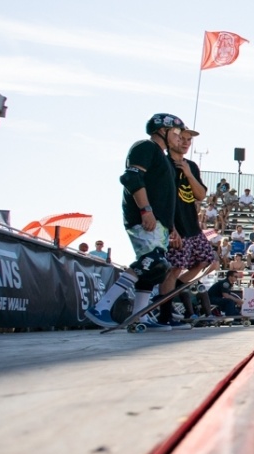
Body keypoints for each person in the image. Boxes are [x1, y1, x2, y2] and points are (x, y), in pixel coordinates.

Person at [86, 113, 183, 330]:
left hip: (160, 224)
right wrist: (145, 210)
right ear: (162, 131)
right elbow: (131, 177)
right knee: (152, 262)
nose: (179, 138)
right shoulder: (145, 148)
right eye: (175, 133)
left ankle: (140, 315)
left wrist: (171, 227)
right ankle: (102, 306)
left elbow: (165, 198)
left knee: (155, 270)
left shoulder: (164, 159)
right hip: (144, 218)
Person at [160, 127, 219, 325]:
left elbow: (201, 195)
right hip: (175, 225)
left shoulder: (191, 165)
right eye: (182, 139)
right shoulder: (164, 163)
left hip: (192, 225)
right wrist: (170, 227)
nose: (186, 143)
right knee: (175, 268)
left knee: (209, 262)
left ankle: (170, 292)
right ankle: (164, 314)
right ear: (171, 140)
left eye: (188, 140)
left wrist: (188, 173)